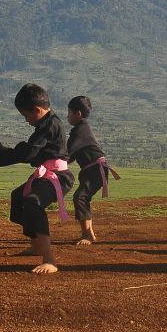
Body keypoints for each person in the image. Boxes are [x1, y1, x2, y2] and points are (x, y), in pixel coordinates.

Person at [0, 84, 73, 275]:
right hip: (45, 174)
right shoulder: (46, 123)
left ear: (37, 110)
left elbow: (30, 152)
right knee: (18, 197)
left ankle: (49, 258)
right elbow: (32, 152)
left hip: (58, 177)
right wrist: (2, 150)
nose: (27, 121)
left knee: (33, 202)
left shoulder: (49, 125)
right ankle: (37, 244)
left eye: (27, 116)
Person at [66, 95, 119, 246]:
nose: (67, 116)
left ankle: (87, 235)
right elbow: (71, 156)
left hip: (96, 170)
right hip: (93, 170)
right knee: (83, 197)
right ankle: (90, 234)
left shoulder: (80, 131)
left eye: (69, 113)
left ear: (78, 114)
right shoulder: (82, 129)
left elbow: (68, 154)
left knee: (80, 197)